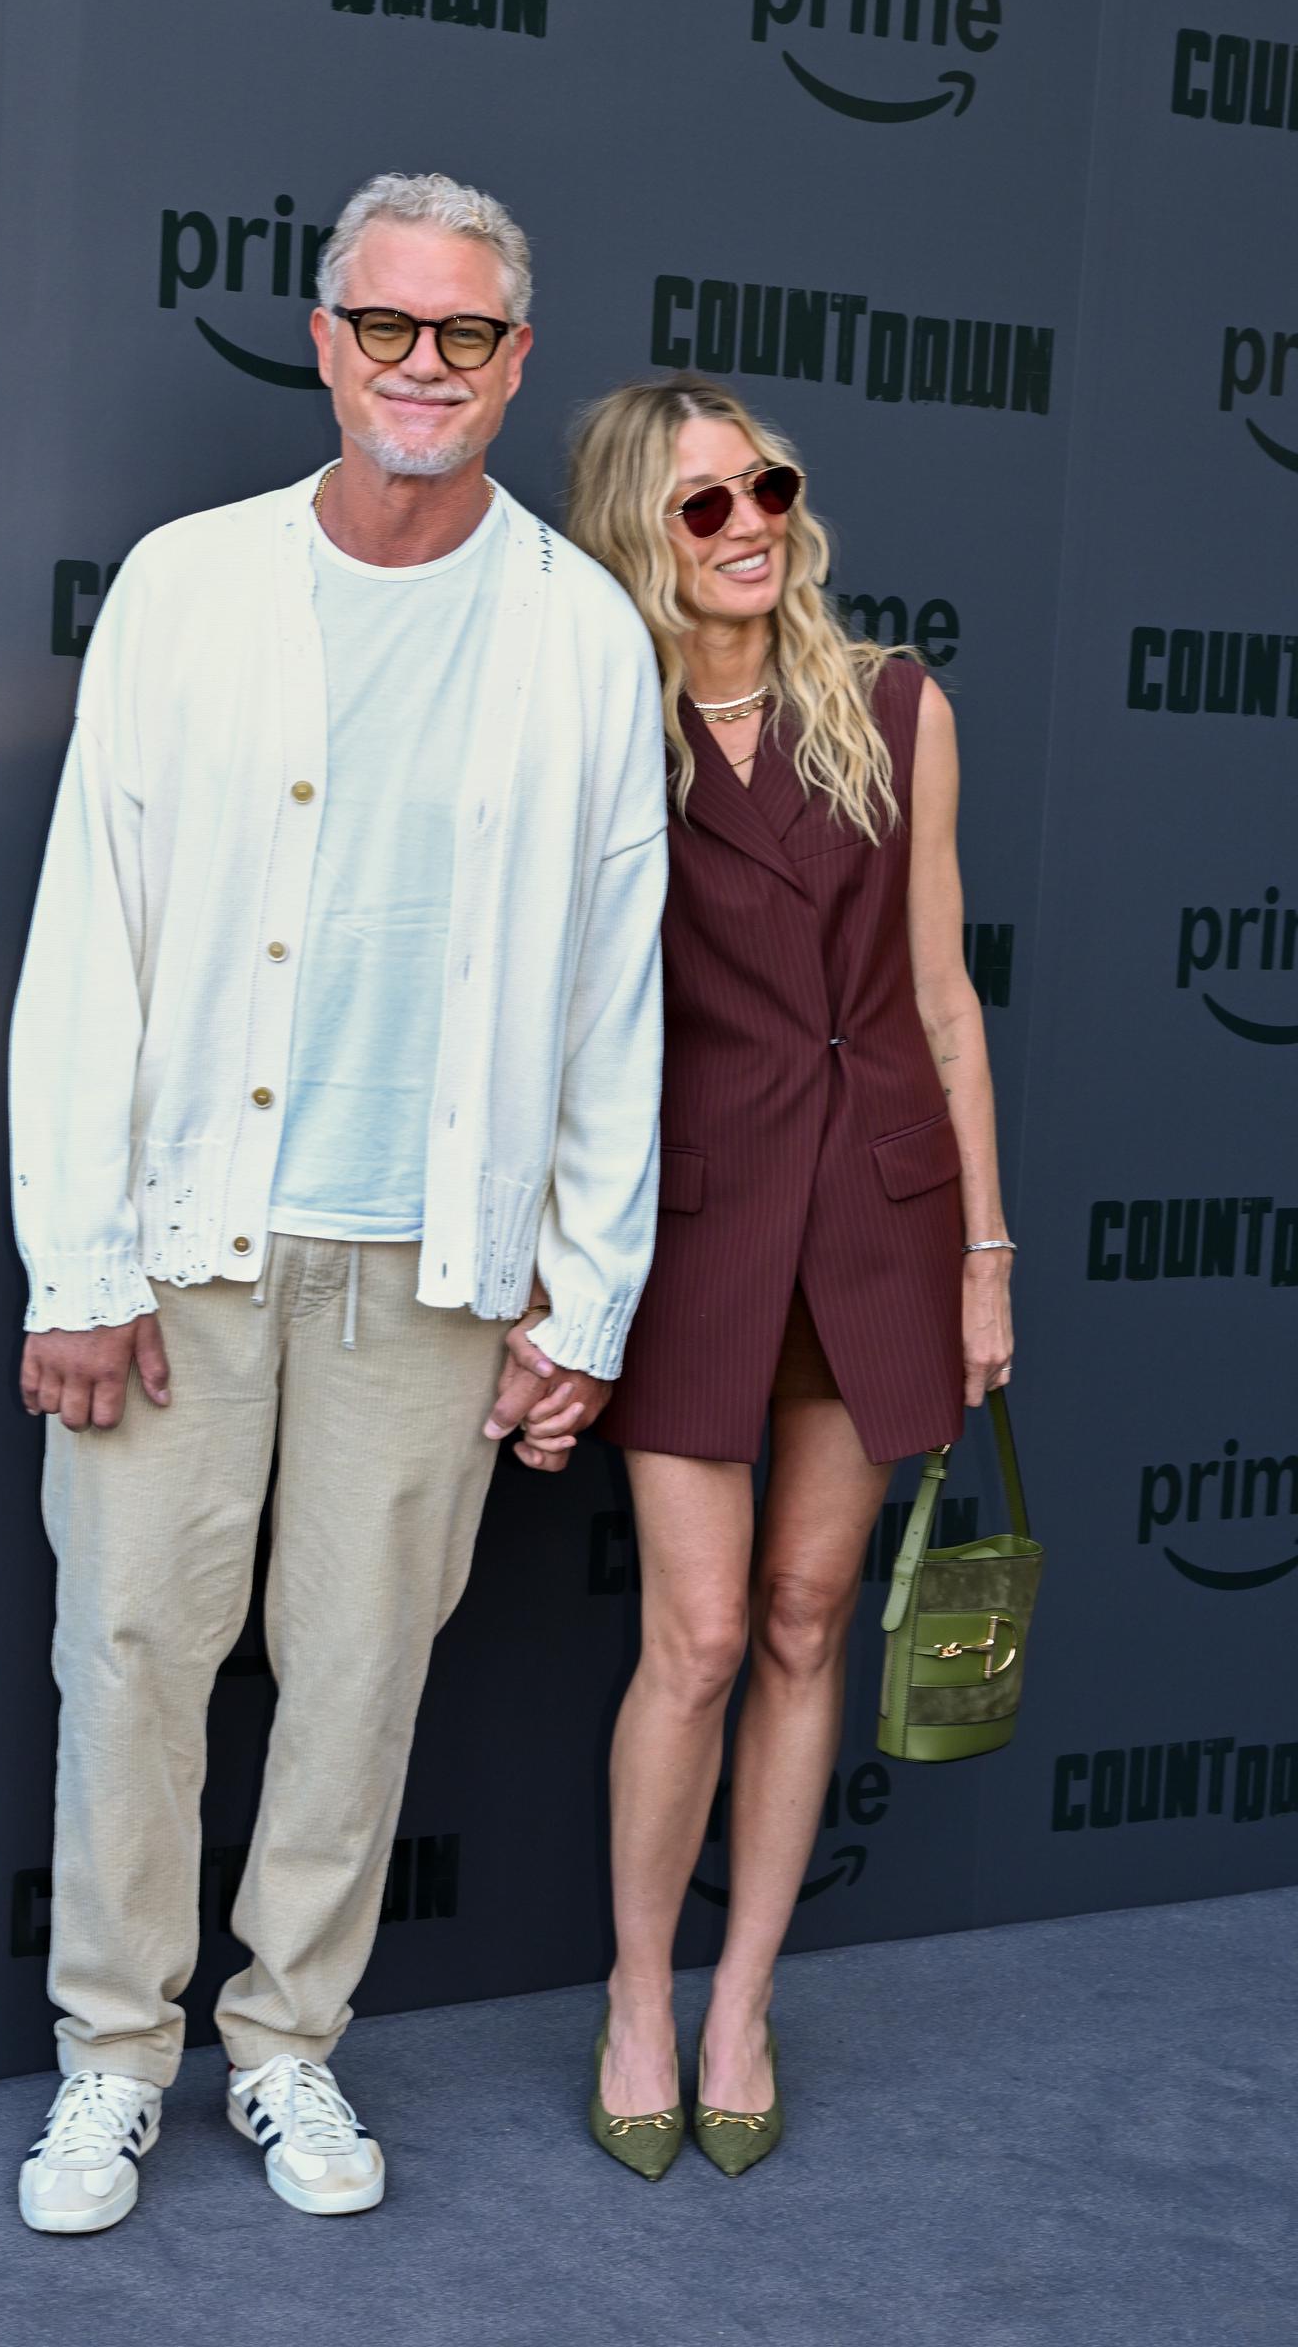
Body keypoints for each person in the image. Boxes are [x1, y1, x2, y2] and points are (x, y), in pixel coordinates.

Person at [8, 173, 666, 2233]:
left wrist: (584, 1298)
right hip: (182, 1243)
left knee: (360, 1675)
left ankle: (282, 2046)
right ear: (323, 340)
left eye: (463, 335)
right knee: (130, 1654)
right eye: (385, 325)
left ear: (513, 363)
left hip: (431, 1254)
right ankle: (110, 2063)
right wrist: (75, 1260)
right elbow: (84, 947)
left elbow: (608, 986)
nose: (421, 364)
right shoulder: (187, 588)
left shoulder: (576, 630)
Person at [565, 377, 1013, 2179]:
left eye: (767, 486)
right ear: (635, 531)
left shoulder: (896, 705)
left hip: (881, 1226)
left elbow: (942, 1001)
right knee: (698, 1633)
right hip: (688, 1232)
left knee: (813, 1619)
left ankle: (745, 1993)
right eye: (700, 505)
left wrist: (984, 1252)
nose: (748, 521)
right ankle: (637, 1996)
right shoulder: (603, 731)